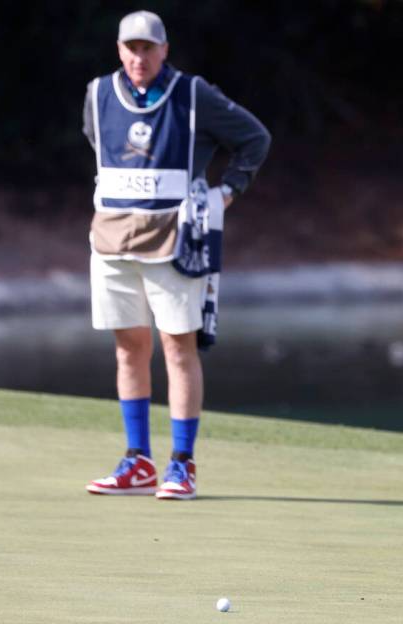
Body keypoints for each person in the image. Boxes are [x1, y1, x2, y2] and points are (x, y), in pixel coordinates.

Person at [82, 10, 270, 500]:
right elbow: (98, 143)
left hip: (176, 238)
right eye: (131, 48)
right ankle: (137, 460)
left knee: (177, 348)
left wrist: (225, 192)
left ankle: (182, 464)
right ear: (119, 50)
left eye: (148, 48)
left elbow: (254, 139)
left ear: (164, 50)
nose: (138, 57)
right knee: (128, 347)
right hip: (111, 237)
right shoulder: (99, 93)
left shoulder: (192, 94)